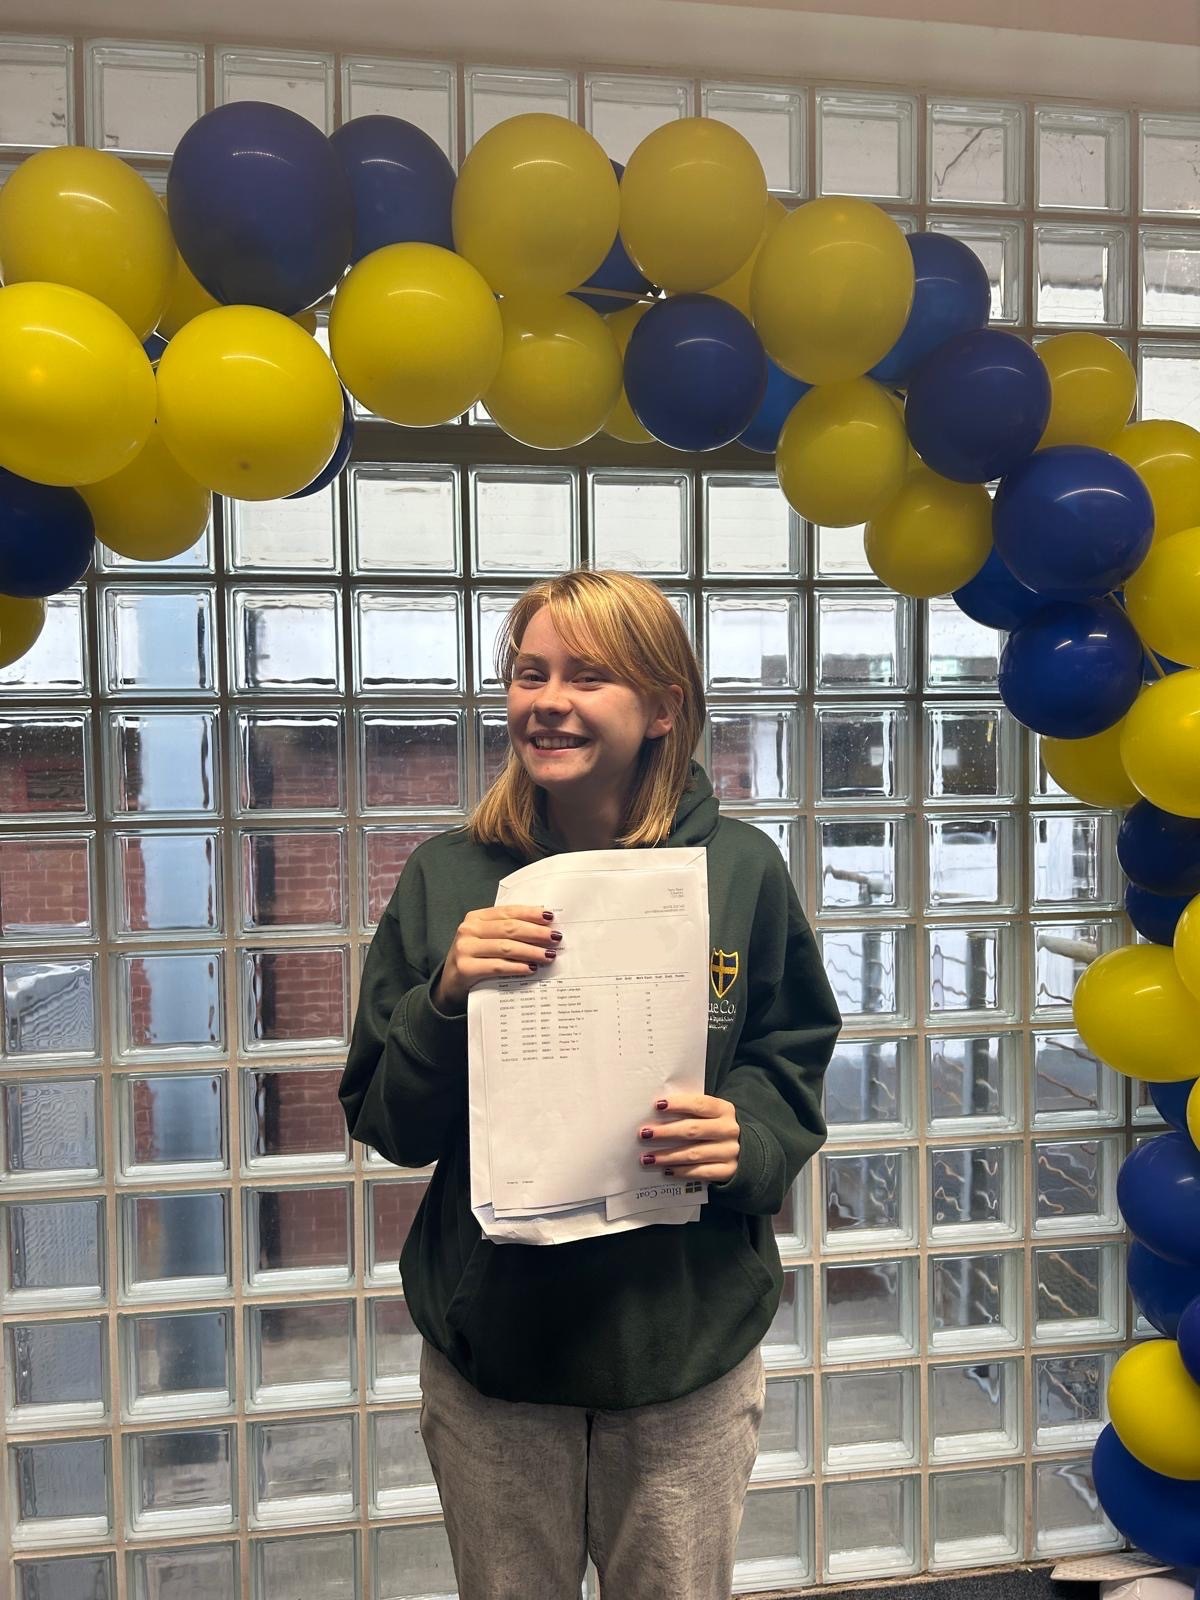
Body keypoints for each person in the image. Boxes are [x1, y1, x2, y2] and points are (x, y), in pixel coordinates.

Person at [340, 568, 841, 1600]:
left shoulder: (740, 869)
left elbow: (789, 1049)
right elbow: (388, 1120)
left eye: (588, 676)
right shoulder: (447, 875)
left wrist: (747, 1136)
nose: (548, 701)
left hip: (683, 1353)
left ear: (661, 707)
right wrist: (446, 995)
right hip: (497, 1363)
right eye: (530, 674)